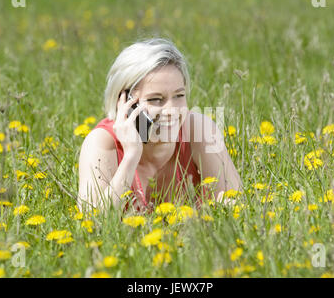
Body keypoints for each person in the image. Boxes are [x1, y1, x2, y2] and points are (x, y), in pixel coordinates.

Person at [78, 38, 242, 213]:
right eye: (156, 99)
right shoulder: (102, 143)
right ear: (125, 103)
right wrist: (131, 157)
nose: (172, 110)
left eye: (179, 95)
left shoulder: (200, 130)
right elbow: (92, 222)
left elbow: (237, 207)